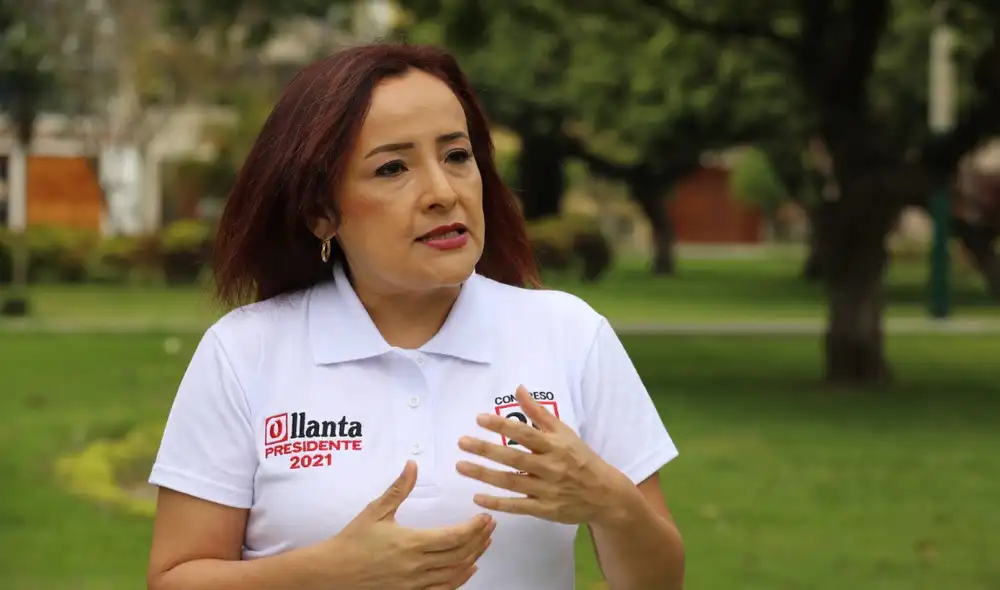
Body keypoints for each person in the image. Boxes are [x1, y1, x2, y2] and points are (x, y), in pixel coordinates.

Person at [146, 43, 684, 590]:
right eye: (393, 168)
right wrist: (329, 574)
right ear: (321, 213)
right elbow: (175, 578)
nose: (443, 193)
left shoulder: (569, 334)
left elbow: (661, 581)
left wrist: (611, 501)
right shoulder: (245, 351)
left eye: (456, 156)